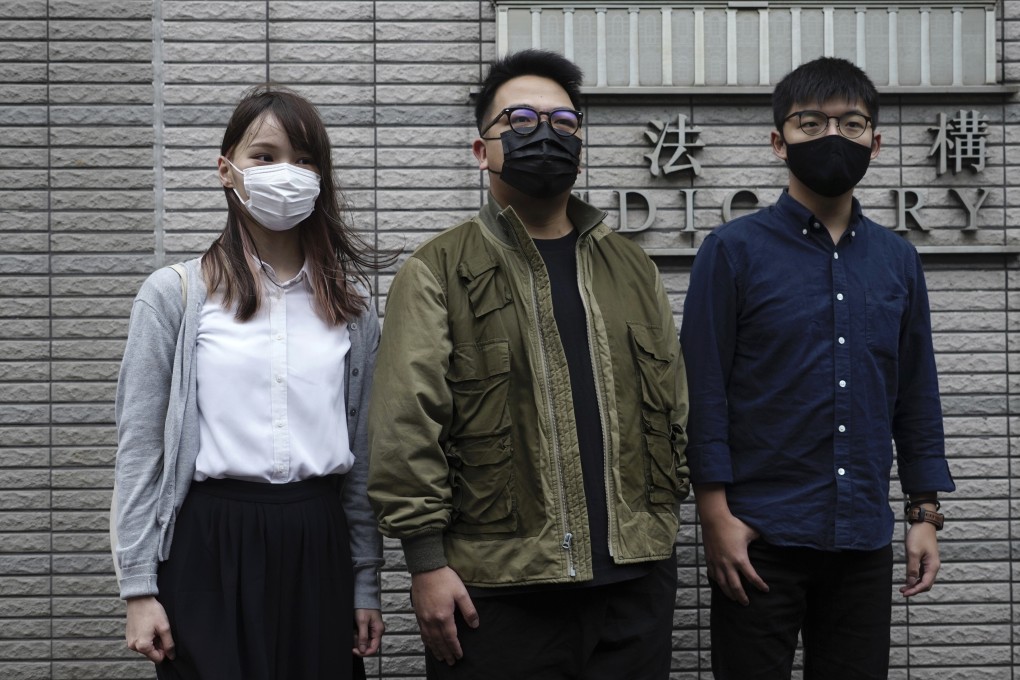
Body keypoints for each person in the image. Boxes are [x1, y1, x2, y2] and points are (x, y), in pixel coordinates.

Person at [366, 49, 690, 679]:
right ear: (479, 149)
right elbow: (406, 429)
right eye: (518, 121)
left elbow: (675, 407)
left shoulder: (633, 267)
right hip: (497, 593)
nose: (544, 134)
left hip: (634, 586)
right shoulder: (436, 270)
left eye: (563, 123)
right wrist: (426, 563)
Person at [679, 57, 956, 679]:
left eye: (851, 123)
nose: (833, 136)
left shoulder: (897, 261)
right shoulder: (731, 252)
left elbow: (915, 394)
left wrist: (924, 514)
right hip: (758, 538)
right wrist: (715, 517)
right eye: (811, 123)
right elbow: (702, 391)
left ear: (875, 142)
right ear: (780, 141)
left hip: (861, 537)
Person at [113, 85, 385, 680]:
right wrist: (138, 587)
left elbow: (363, 460)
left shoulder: (353, 310)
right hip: (209, 540)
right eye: (264, 156)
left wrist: (365, 580)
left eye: (305, 159)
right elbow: (140, 448)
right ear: (227, 170)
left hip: (319, 540)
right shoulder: (175, 296)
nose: (286, 173)